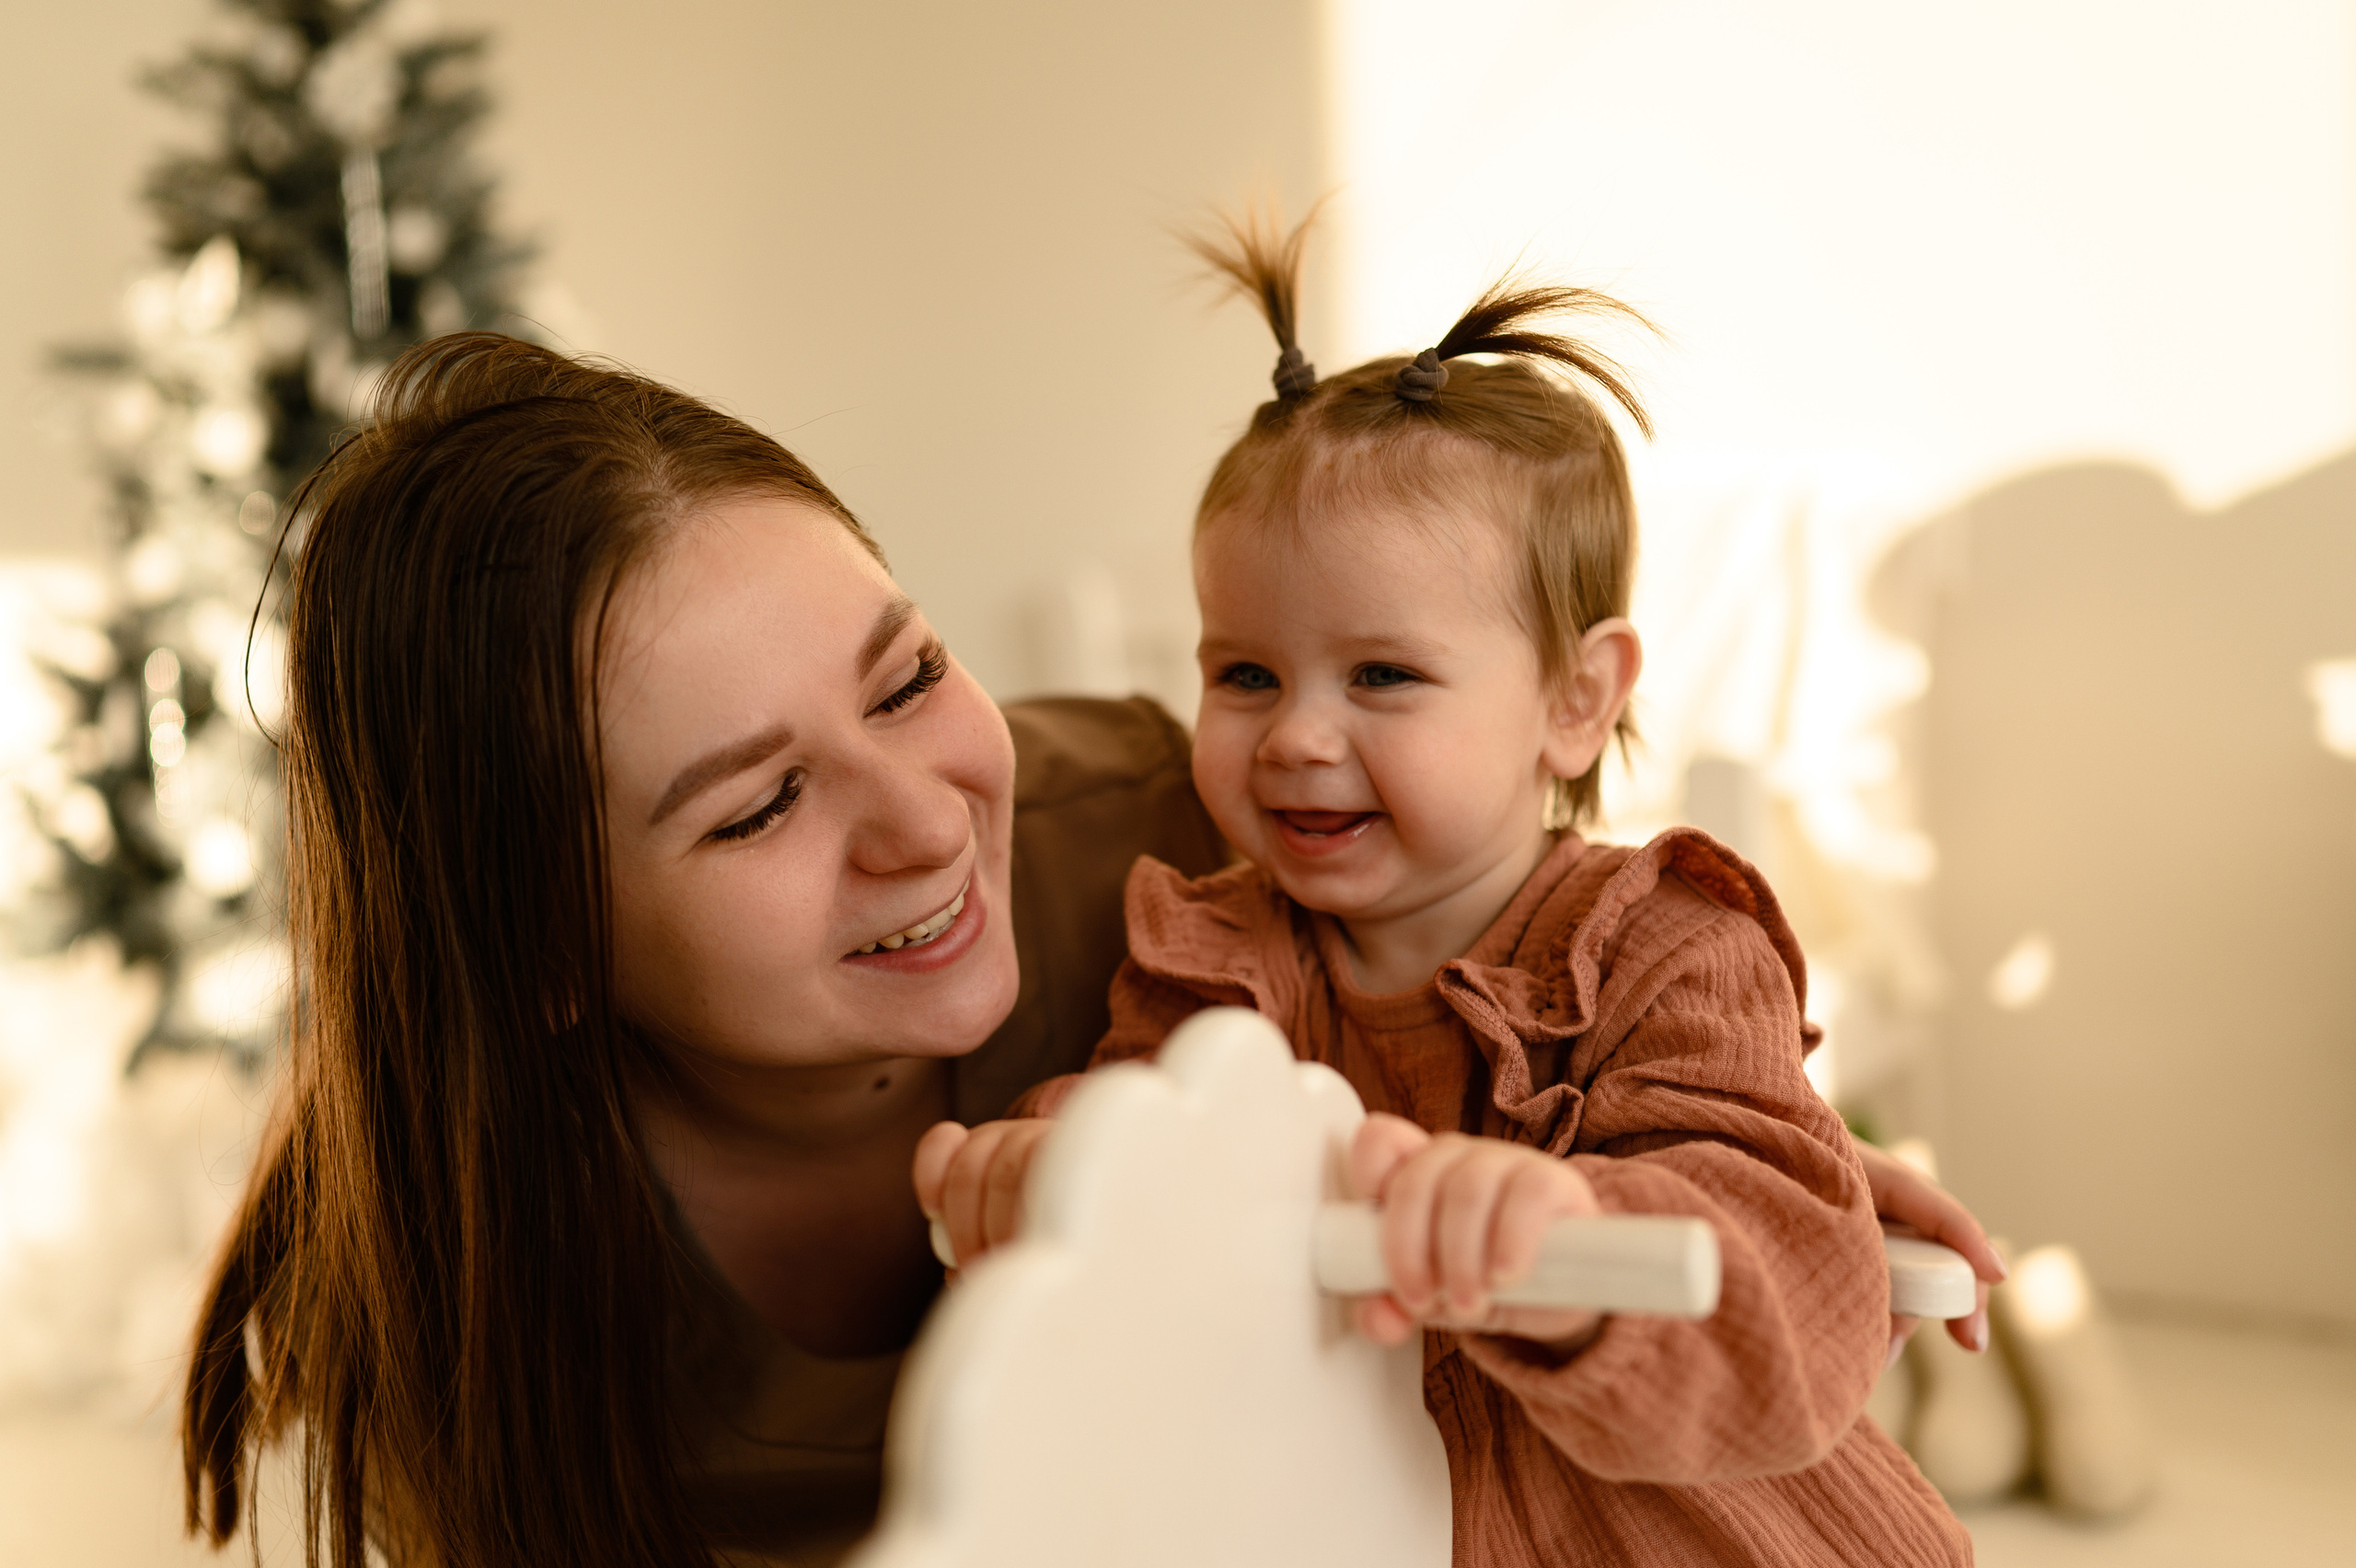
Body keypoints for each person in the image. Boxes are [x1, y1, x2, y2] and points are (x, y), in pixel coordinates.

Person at [181, 330, 1993, 1568]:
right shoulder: (468, 1285)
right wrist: (1052, 1185)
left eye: (905, 675)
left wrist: (1743, 1176)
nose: (918, 820)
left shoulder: (1186, 845)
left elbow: (1517, 970)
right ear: (543, 945)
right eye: (755, 808)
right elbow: (1151, 1168)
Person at [919, 217, 1981, 1566]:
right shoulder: (1210, 951)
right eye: (1245, 675)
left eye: (1380, 677)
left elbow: (1782, 1254)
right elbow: (1159, 1141)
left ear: (1575, 698)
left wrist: (1569, 1229)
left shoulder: (1672, 943)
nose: (1297, 734)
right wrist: (1055, 1161)